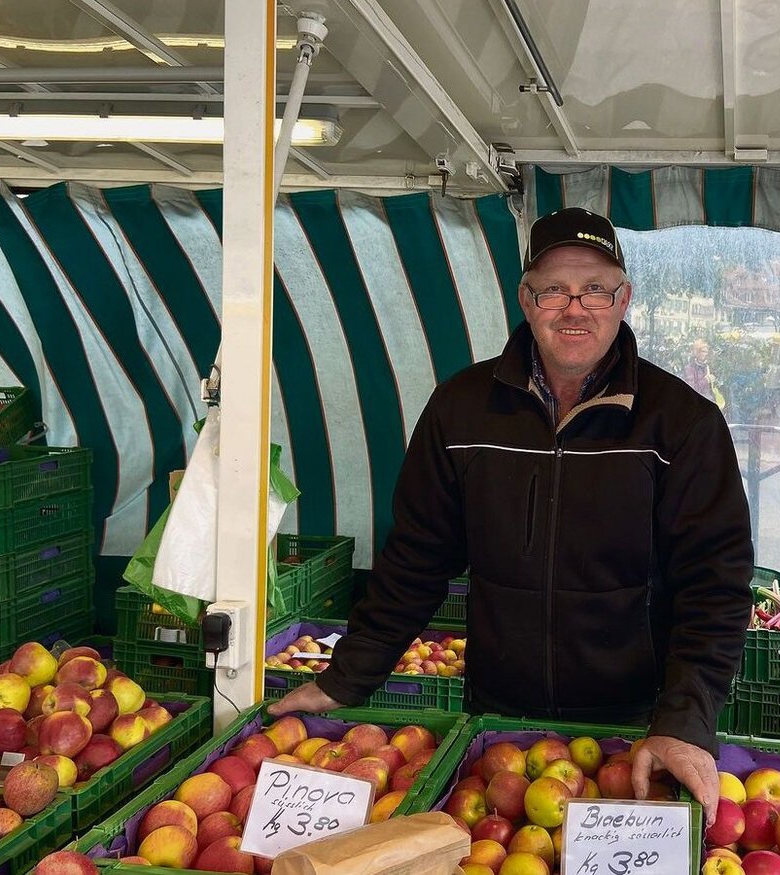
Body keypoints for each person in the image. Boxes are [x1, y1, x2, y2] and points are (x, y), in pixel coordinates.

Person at [269, 206, 753, 822]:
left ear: (623, 298)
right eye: (554, 289)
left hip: (632, 724)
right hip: (497, 721)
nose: (574, 308)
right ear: (526, 300)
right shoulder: (462, 410)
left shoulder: (681, 422)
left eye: (595, 289)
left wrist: (685, 719)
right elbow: (416, 556)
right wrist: (347, 676)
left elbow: (716, 582)